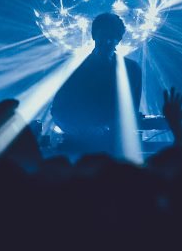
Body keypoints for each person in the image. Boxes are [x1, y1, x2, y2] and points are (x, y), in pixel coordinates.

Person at [51, 12, 142, 154]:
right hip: (82, 146)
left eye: (112, 37)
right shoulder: (74, 69)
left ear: (119, 39)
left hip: (110, 147)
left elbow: (132, 113)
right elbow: (58, 111)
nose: (108, 41)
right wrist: (83, 130)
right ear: (94, 35)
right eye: (104, 36)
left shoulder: (132, 70)